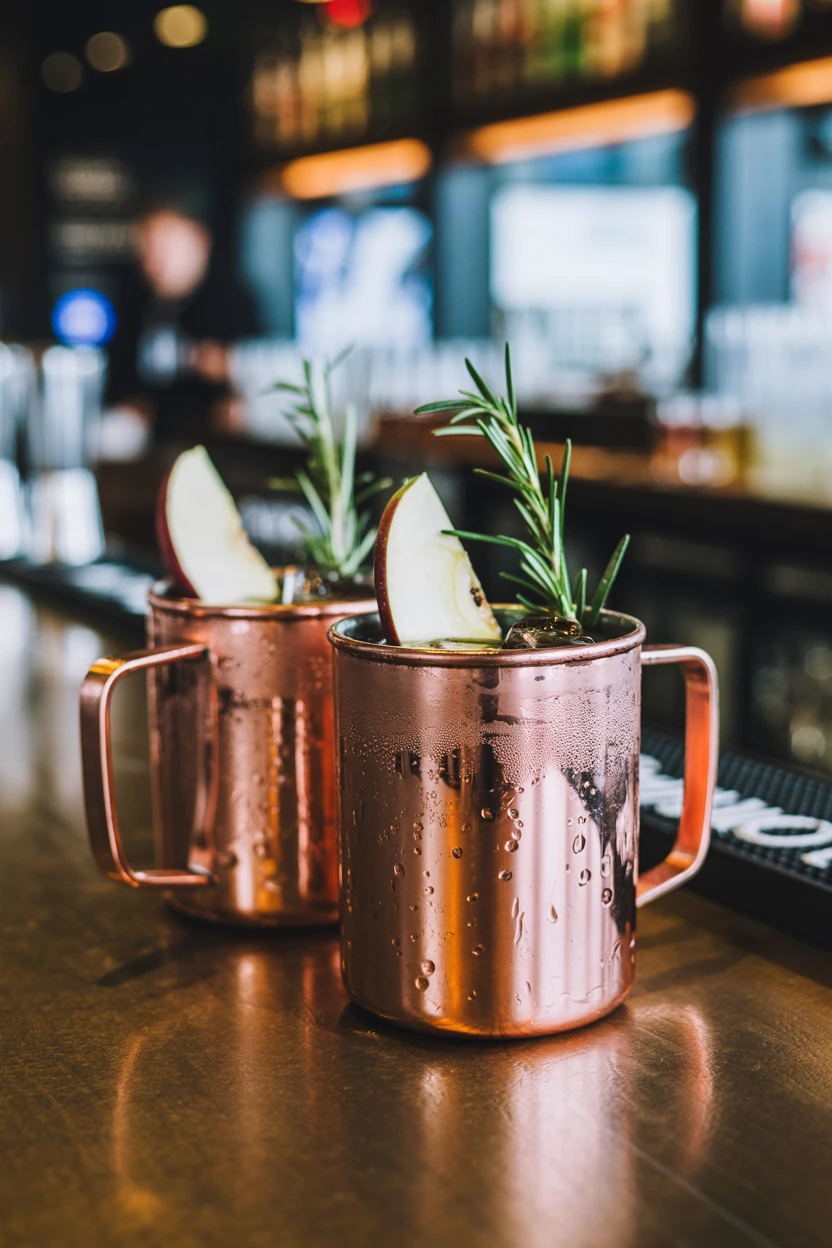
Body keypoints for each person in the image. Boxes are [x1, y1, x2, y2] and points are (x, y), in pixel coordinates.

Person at [106, 196, 259, 449]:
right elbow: (122, 383)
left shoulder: (234, 304)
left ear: (199, 241)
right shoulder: (134, 303)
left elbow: (245, 398)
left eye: (165, 245)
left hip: (217, 454)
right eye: (147, 248)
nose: (154, 260)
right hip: (148, 452)